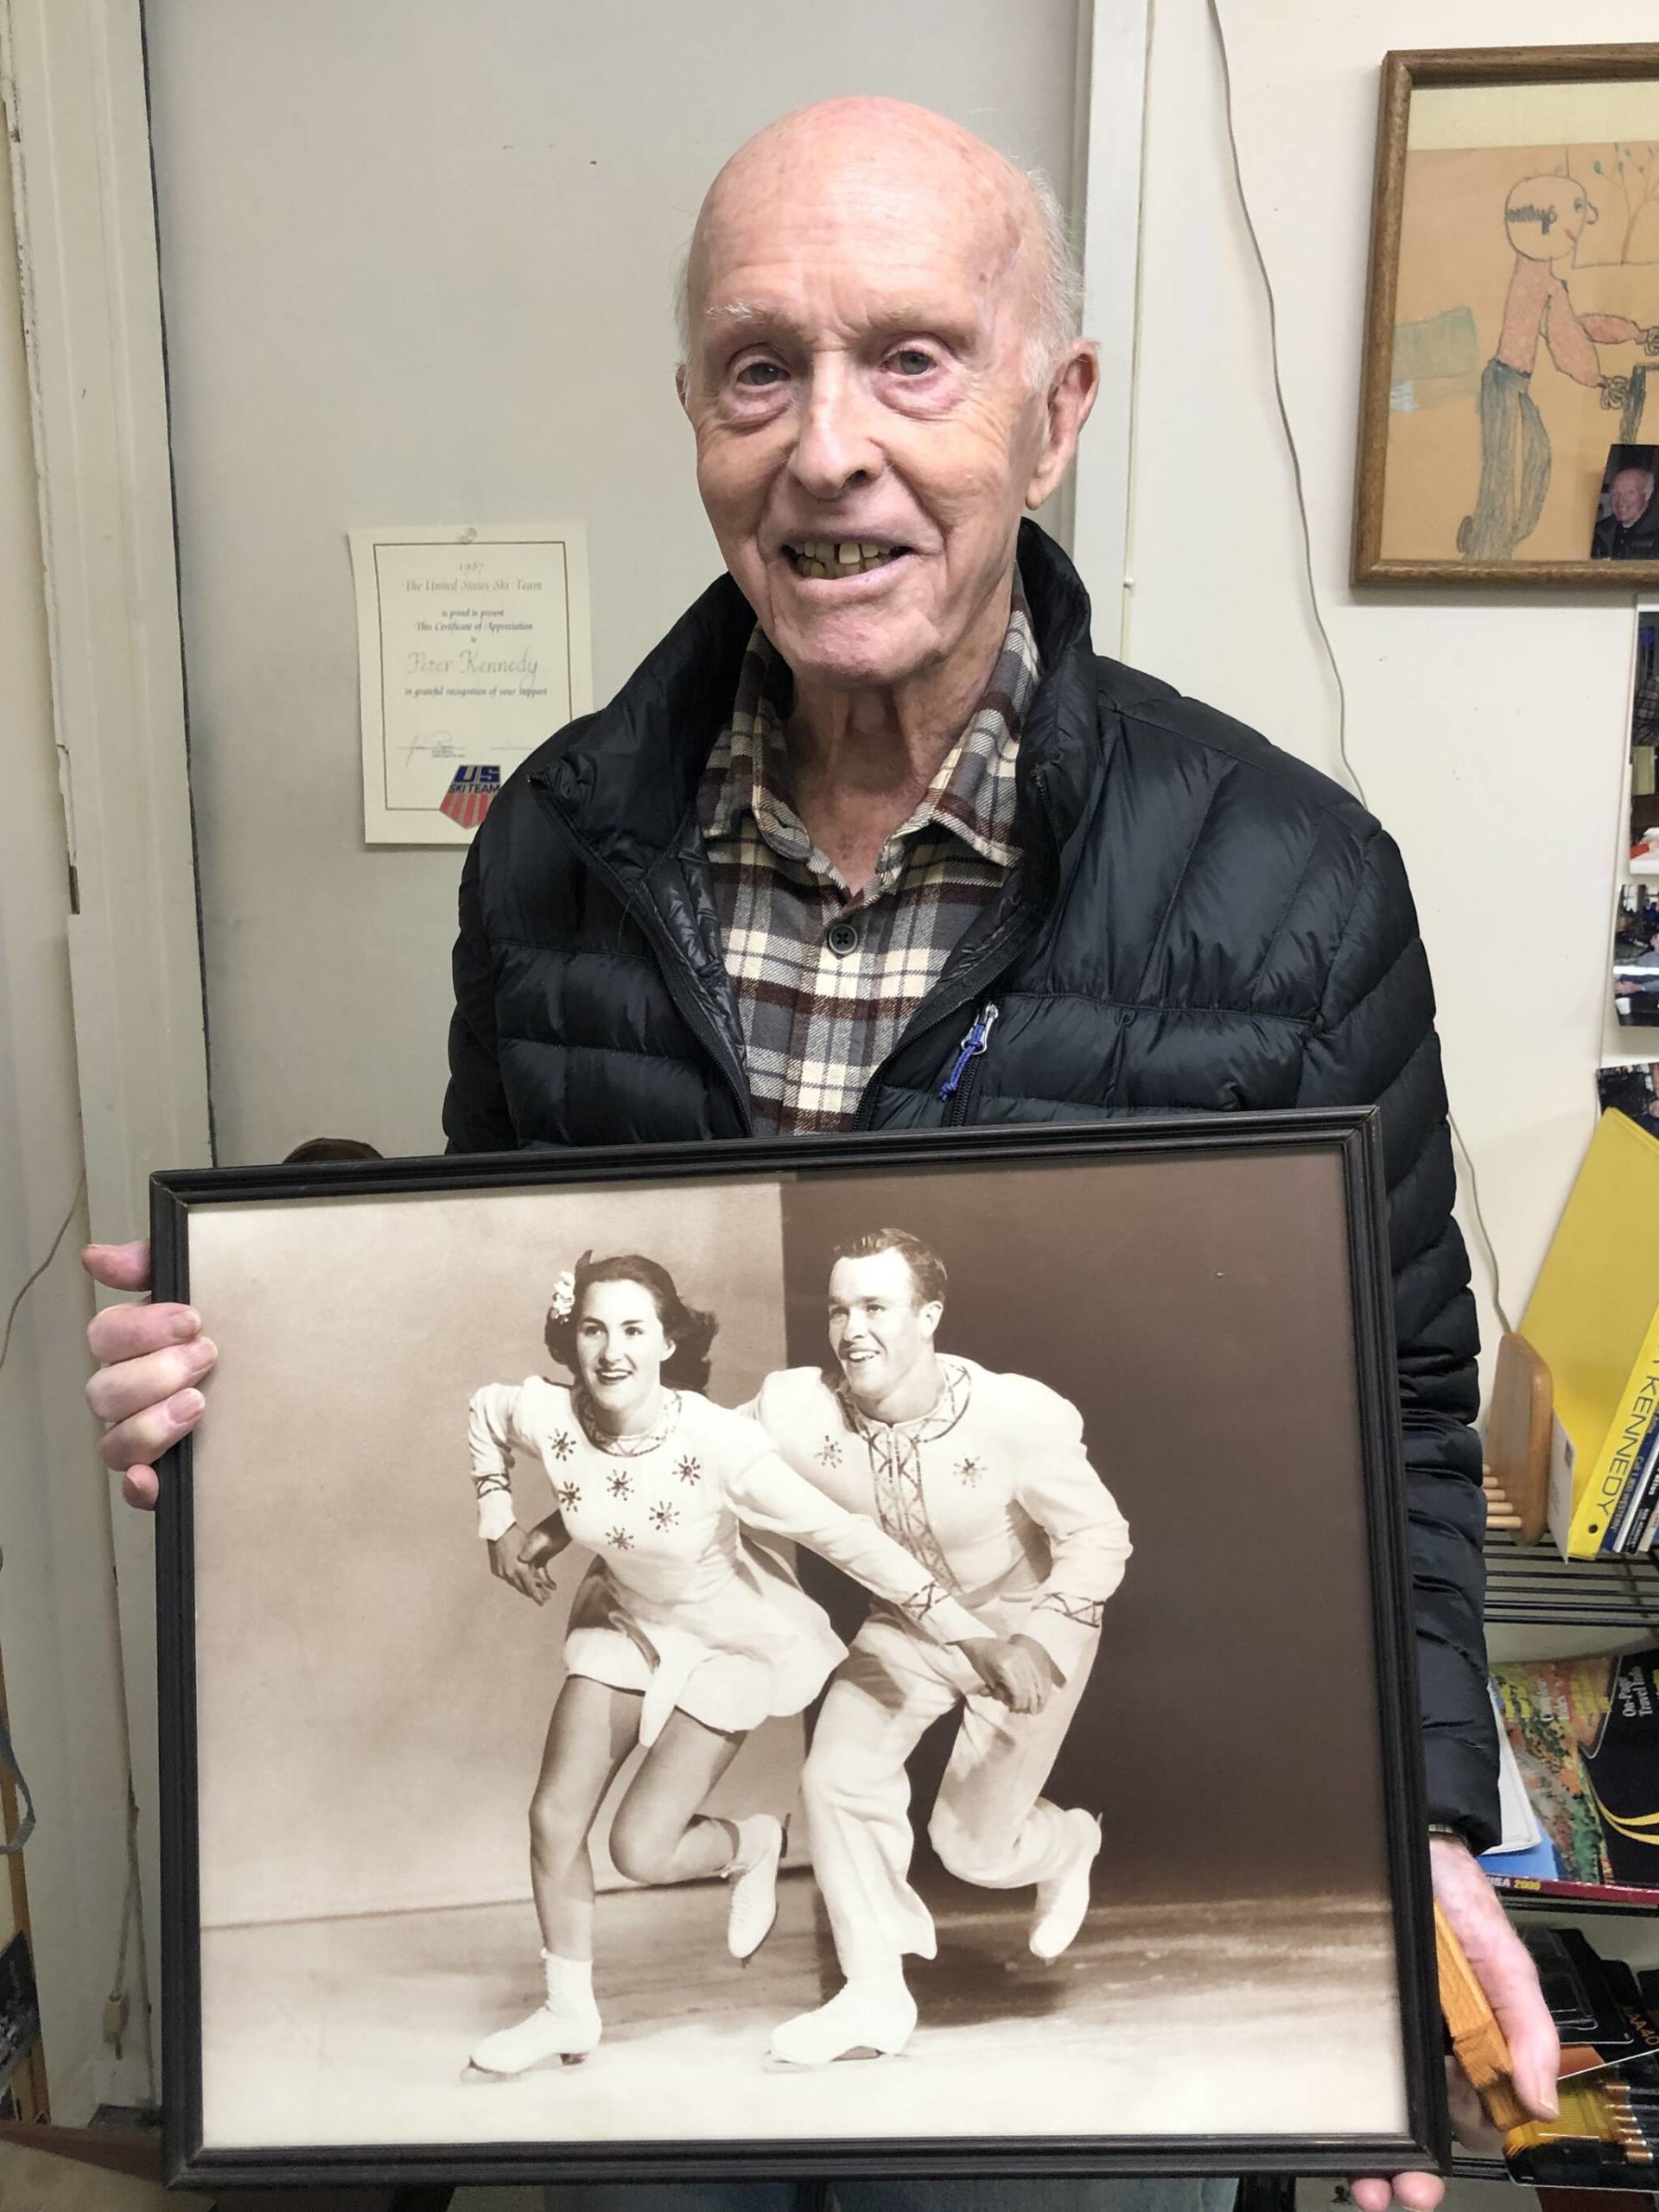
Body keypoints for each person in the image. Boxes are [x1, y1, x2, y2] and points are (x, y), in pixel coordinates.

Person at [84, 92, 1557, 2212]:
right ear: (690, 417)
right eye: (759, 367)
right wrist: (250, 1365)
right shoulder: (553, 851)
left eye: (912, 358)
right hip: (718, 1786)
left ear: (1054, 415)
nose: (827, 444)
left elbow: (1404, 1410)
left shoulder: (1295, 883)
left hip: (1011, 1954)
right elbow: (509, 1228)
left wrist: (1413, 1821)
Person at [464, 1249, 1021, 2076]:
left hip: (729, 1637)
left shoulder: (721, 1444)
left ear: (666, 1344)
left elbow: (849, 1539)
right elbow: (484, 1415)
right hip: (628, 1618)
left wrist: (964, 1631)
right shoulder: (543, 1413)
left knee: (640, 1852)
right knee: (552, 1818)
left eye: (633, 1330)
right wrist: (501, 1523)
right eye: (592, 1329)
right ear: (569, 1338)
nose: (612, 1351)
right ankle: (566, 2013)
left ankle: (752, 1845)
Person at [746, 1229, 1130, 2066]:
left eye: (876, 1307)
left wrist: (1038, 1634)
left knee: (972, 1846)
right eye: (839, 1308)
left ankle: (1069, 1845)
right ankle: (873, 1996)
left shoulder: (1010, 1417)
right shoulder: (797, 1409)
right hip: (909, 1623)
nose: (853, 1329)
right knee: (834, 1777)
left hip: (1025, 1627)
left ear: (930, 1315)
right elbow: (692, 1445)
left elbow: (1101, 1535)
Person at [1458, 175, 1656, 562]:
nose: (1579, 235)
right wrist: (1600, 382)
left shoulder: (1534, 274)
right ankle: (1486, 552)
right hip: (1506, 387)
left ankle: (1484, 544)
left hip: (1508, 386)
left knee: (1532, 468)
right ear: (1552, 224)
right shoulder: (1541, 280)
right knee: (1511, 484)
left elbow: (1575, 326)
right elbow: (1567, 344)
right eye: (1577, 224)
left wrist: (1635, 333)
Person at [1592, 463, 1659, 559]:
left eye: (1630, 492)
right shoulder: (1598, 532)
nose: (1621, 500)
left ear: (1647, 494)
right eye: (1616, 493)